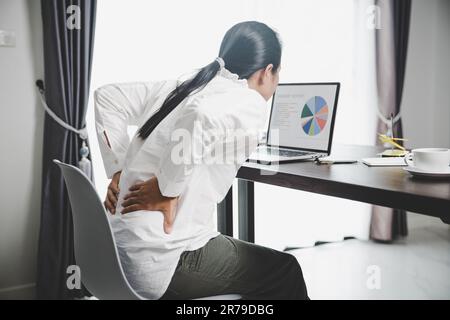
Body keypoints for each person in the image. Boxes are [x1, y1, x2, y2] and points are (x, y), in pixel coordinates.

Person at [94, 21, 308, 300]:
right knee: (284, 269)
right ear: (267, 72)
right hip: (161, 261)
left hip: (115, 253)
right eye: (278, 74)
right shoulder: (248, 100)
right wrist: (166, 190)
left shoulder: (186, 85)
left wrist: (119, 169)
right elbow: (201, 117)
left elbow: (107, 98)